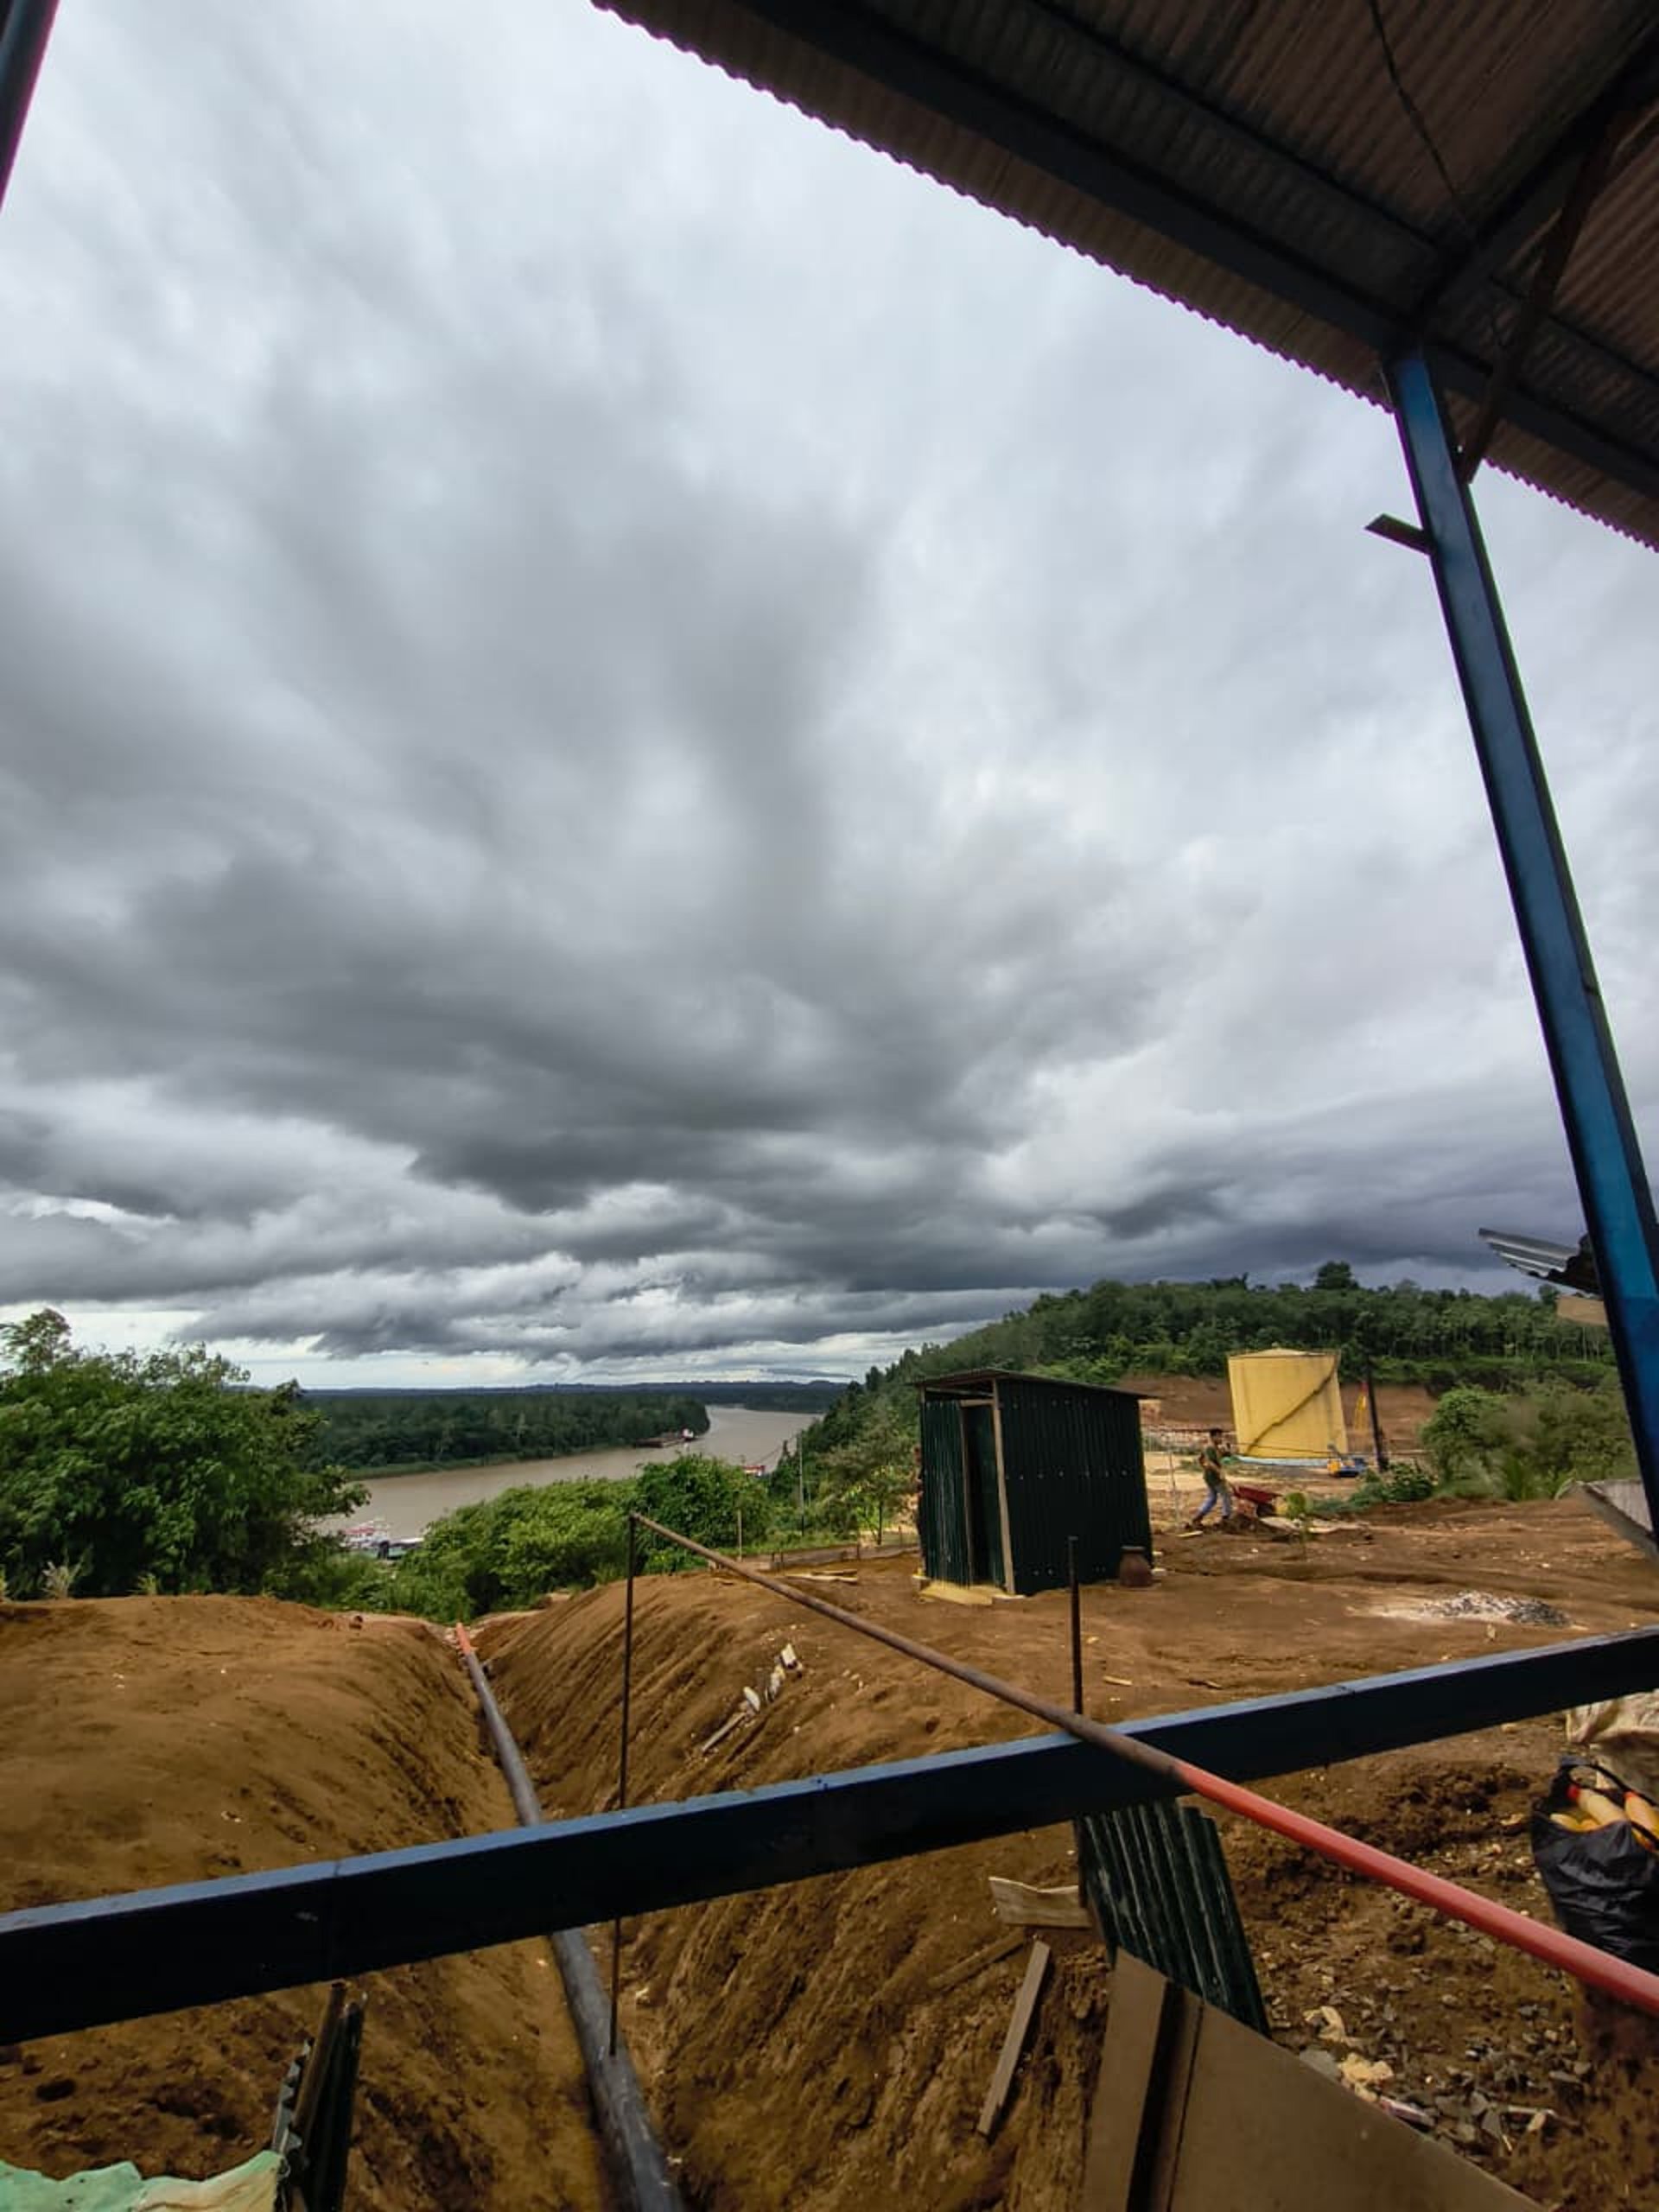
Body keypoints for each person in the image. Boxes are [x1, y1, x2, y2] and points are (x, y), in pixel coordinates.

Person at [1193, 1427, 1235, 1528]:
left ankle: (1197, 1518)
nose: (1221, 1438)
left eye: (1221, 1436)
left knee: (1212, 1498)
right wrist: (1219, 1472)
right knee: (1226, 1496)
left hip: (1210, 1476)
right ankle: (1226, 1519)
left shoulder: (1214, 1448)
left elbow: (1200, 1459)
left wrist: (1228, 1450)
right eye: (1219, 1436)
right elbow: (1211, 1462)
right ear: (1213, 1437)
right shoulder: (1210, 1448)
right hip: (1214, 1477)